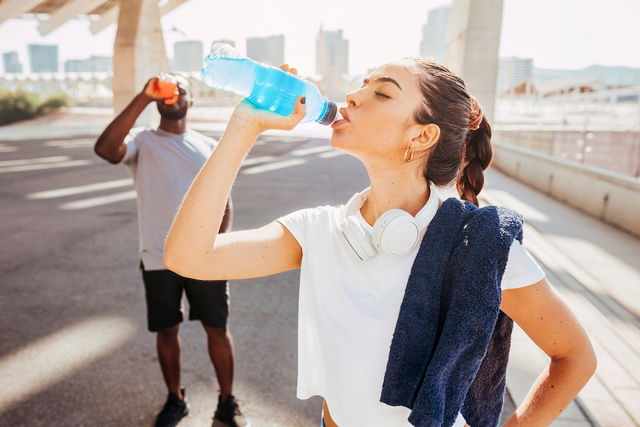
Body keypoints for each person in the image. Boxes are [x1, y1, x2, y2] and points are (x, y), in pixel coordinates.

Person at [163, 60, 597, 427]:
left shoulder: (478, 246)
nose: (352, 96)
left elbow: (575, 356)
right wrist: (244, 126)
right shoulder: (319, 231)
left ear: (421, 136)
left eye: (382, 93)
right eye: (362, 84)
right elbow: (189, 256)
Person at [93, 74, 248, 427]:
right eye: (167, 90)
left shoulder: (208, 146)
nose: (173, 93)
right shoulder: (142, 142)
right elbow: (105, 150)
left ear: (190, 102)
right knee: (167, 330)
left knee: (217, 329)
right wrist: (143, 96)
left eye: (182, 90)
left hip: (204, 256)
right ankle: (175, 399)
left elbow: (224, 201)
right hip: (158, 256)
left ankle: (227, 403)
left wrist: (217, 246)